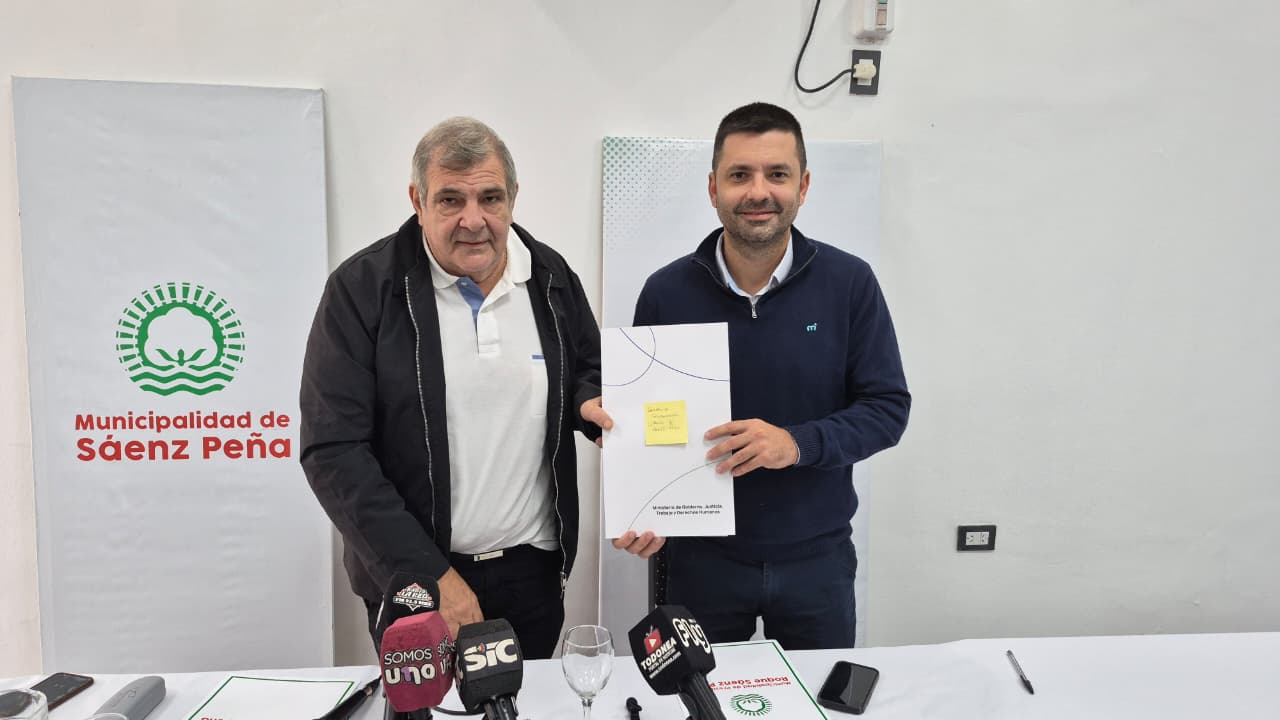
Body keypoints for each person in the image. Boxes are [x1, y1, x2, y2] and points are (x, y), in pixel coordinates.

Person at [300, 117, 611, 659]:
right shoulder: (363, 289)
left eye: (490, 198)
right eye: (450, 200)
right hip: (417, 580)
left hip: (533, 577)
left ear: (513, 198)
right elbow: (333, 450)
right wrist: (429, 575)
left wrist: (589, 402)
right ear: (417, 201)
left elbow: (589, 368)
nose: (474, 220)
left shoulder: (550, 277)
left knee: (529, 702)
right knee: (427, 706)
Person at [612, 102, 910, 649]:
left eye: (777, 174)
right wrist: (644, 507)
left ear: (803, 186)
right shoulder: (665, 292)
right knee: (695, 694)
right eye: (739, 175)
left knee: (817, 694)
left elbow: (887, 410)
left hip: (817, 564)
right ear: (713, 188)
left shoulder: (850, 284)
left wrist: (794, 444)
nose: (758, 192)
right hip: (700, 563)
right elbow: (650, 421)